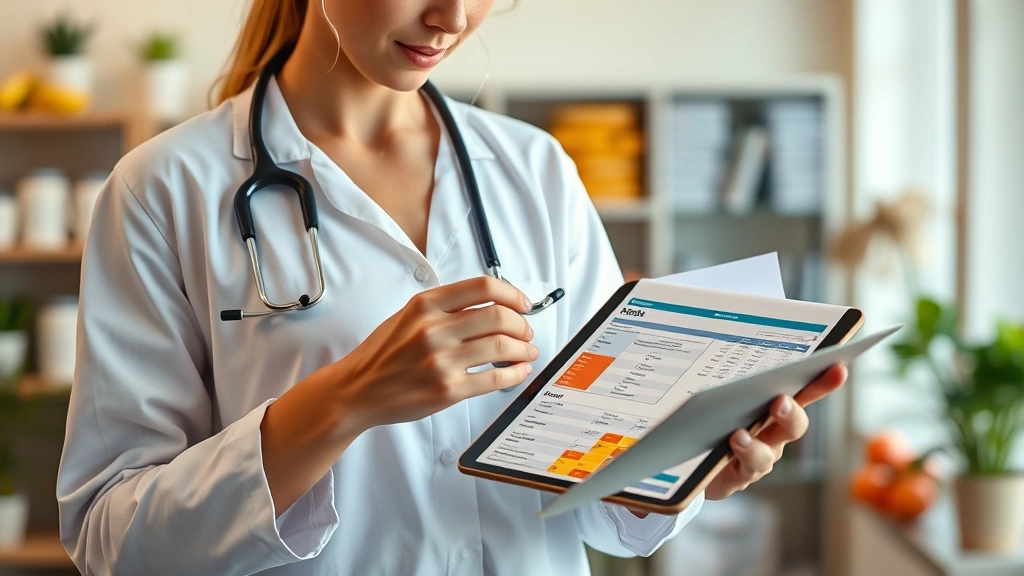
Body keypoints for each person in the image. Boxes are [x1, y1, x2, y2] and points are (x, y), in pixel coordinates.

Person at [56, 0, 847, 574]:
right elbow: (110, 538)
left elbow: (602, 495)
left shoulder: (536, 172)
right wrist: (343, 399)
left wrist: (680, 468)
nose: (453, 16)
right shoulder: (164, 190)